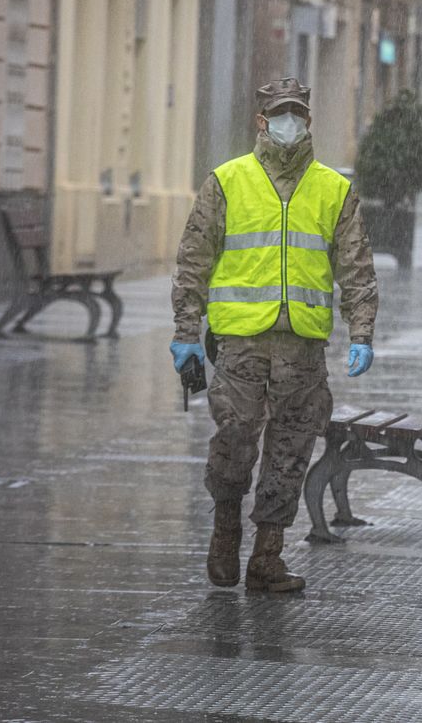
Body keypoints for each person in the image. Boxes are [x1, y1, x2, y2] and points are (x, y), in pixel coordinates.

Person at [170, 77, 378, 594]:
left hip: (302, 347)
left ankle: (267, 556)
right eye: (281, 114)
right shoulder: (227, 181)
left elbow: (355, 266)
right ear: (262, 122)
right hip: (240, 344)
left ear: (307, 121)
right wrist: (186, 331)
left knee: (290, 449)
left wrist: (362, 331)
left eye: (297, 114)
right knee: (235, 438)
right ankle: (225, 532)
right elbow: (194, 260)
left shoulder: (334, 189)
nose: (290, 123)